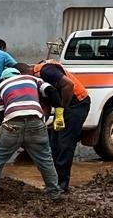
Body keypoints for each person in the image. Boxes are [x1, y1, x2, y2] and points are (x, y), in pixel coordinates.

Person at [0, 66, 63, 203]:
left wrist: (8, 131)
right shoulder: (32, 79)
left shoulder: (0, 87)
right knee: (45, 160)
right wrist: (58, 114)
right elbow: (52, 92)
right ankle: (54, 194)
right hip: (36, 123)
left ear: (3, 78)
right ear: (18, 74)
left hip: (12, 124)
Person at [33, 59, 91, 194]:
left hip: (77, 104)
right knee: (54, 144)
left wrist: (61, 110)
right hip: (66, 107)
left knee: (65, 143)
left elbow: (68, 85)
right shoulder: (38, 82)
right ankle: (54, 183)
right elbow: (46, 105)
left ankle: (62, 185)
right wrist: (39, 124)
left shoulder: (46, 70)